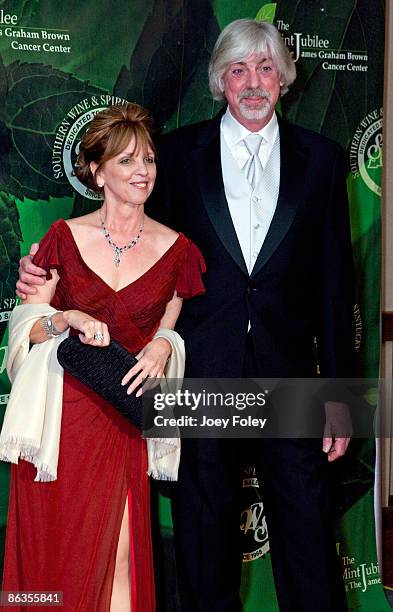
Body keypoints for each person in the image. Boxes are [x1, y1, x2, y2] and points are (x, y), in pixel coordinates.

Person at [17, 19, 353, 612]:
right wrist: (44, 279)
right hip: (197, 372)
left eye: (266, 69)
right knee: (203, 543)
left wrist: (342, 399)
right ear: (220, 82)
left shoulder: (323, 160)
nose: (253, 83)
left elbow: (335, 285)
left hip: (292, 376)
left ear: (285, 80)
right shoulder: (172, 155)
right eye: (239, 70)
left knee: (307, 540)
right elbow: (117, 237)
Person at [4, 102, 205, 612]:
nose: (142, 172)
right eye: (126, 161)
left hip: (121, 422)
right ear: (96, 171)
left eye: (149, 161)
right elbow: (24, 333)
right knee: (55, 558)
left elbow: (170, 331)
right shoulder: (62, 239)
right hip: (60, 425)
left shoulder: (178, 250)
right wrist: (64, 318)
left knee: (119, 559)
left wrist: (165, 343)